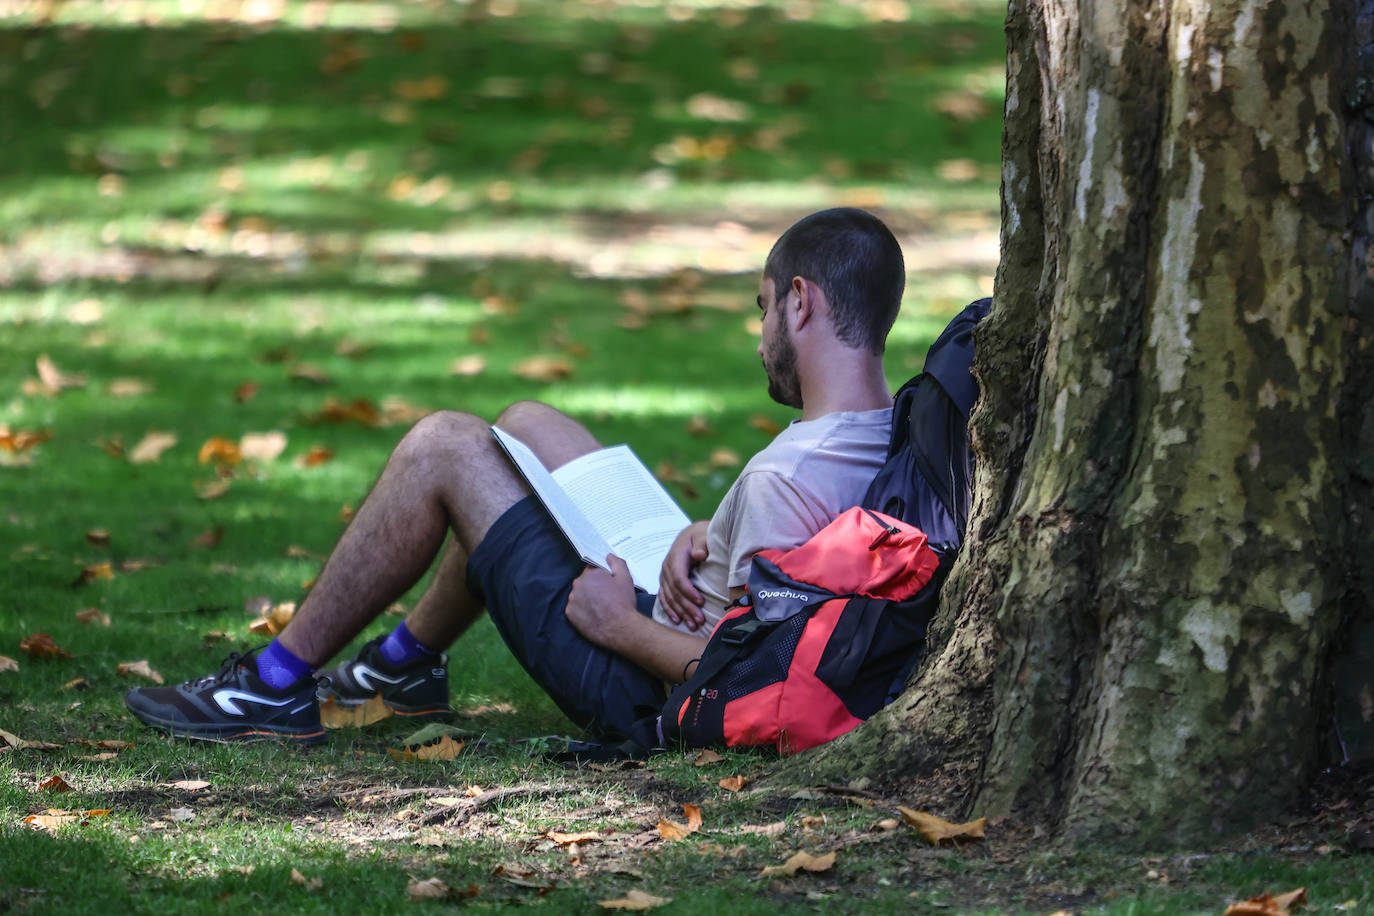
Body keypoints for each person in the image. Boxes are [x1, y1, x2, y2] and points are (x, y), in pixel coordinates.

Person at [124, 207, 906, 744]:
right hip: (693, 597)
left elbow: (748, 681)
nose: (759, 334)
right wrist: (710, 534)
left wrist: (618, 624)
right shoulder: (885, 433)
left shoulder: (783, 480)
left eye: (763, 308)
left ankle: (270, 684)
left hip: (647, 674)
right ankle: (402, 670)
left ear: (800, 305)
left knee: (447, 448)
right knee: (527, 426)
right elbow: (797, 566)